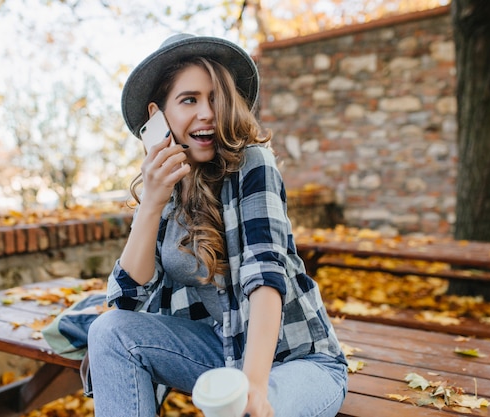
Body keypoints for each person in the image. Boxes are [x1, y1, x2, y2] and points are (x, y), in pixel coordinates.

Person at [87, 33, 348, 417]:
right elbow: (127, 300)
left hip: (295, 361)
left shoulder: (253, 163)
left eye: (216, 98)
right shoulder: (167, 184)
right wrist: (152, 203)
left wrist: (253, 387)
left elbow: (265, 276)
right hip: (220, 352)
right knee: (109, 332)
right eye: (189, 99)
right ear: (157, 116)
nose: (207, 112)